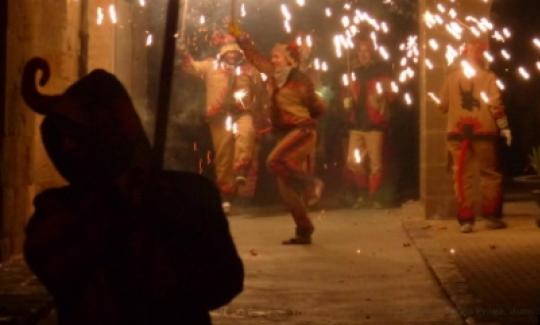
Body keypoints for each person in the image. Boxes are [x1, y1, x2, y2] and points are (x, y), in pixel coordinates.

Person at [21, 57, 243, 325]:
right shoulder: (57, 209)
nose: (68, 148)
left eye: (80, 136)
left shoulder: (191, 195)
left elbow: (224, 283)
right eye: (62, 137)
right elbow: (56, 270)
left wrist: (169, 235)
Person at [229, 21, 325, 244]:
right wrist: (240, 37)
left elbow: (317, 108)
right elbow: (254, 56)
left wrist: (305, 113)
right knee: (286, 189)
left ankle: (312, 184)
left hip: (302, 131)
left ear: (289, 60)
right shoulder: (273, 74)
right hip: (286, 134)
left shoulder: (301, 80)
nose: (273, 60)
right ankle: (304, 229)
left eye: (277, 56)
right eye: (272, 56)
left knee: (274, 161)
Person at [438, 37, 512, 233]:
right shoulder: (488, 77)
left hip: (457, 133)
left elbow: (442, 106)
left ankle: (466, 220)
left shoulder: (451, 76)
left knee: (461, 176)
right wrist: (504, 127)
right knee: (489, 174)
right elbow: (496, 105)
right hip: (484, 132)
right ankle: (492, 217)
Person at [182, 35, 261, 214]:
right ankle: (226, 195)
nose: (232, 55)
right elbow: (191, 67)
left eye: (235, 52)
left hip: (242, 113)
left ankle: (241, 169)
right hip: (219, 117)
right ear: (222, 53)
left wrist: (260, 113)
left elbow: (260, 93)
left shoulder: (249, 69)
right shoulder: (210, 66)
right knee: (223, 154)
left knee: (246, 133)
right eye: (228, 52)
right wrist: (183, 53)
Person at [342, 38, 393, 209]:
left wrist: (380, 98)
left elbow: (390, 94)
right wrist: (347, 99)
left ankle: (373, 196)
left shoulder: (380, 72)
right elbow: (346, 96)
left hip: (374, 123)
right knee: (353, 162)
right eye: (360, 51)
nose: (363, 54)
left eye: (366, 51)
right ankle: (363, 193)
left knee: (375, 163)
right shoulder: (353, 73)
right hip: (357, 123)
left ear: (371, 53)